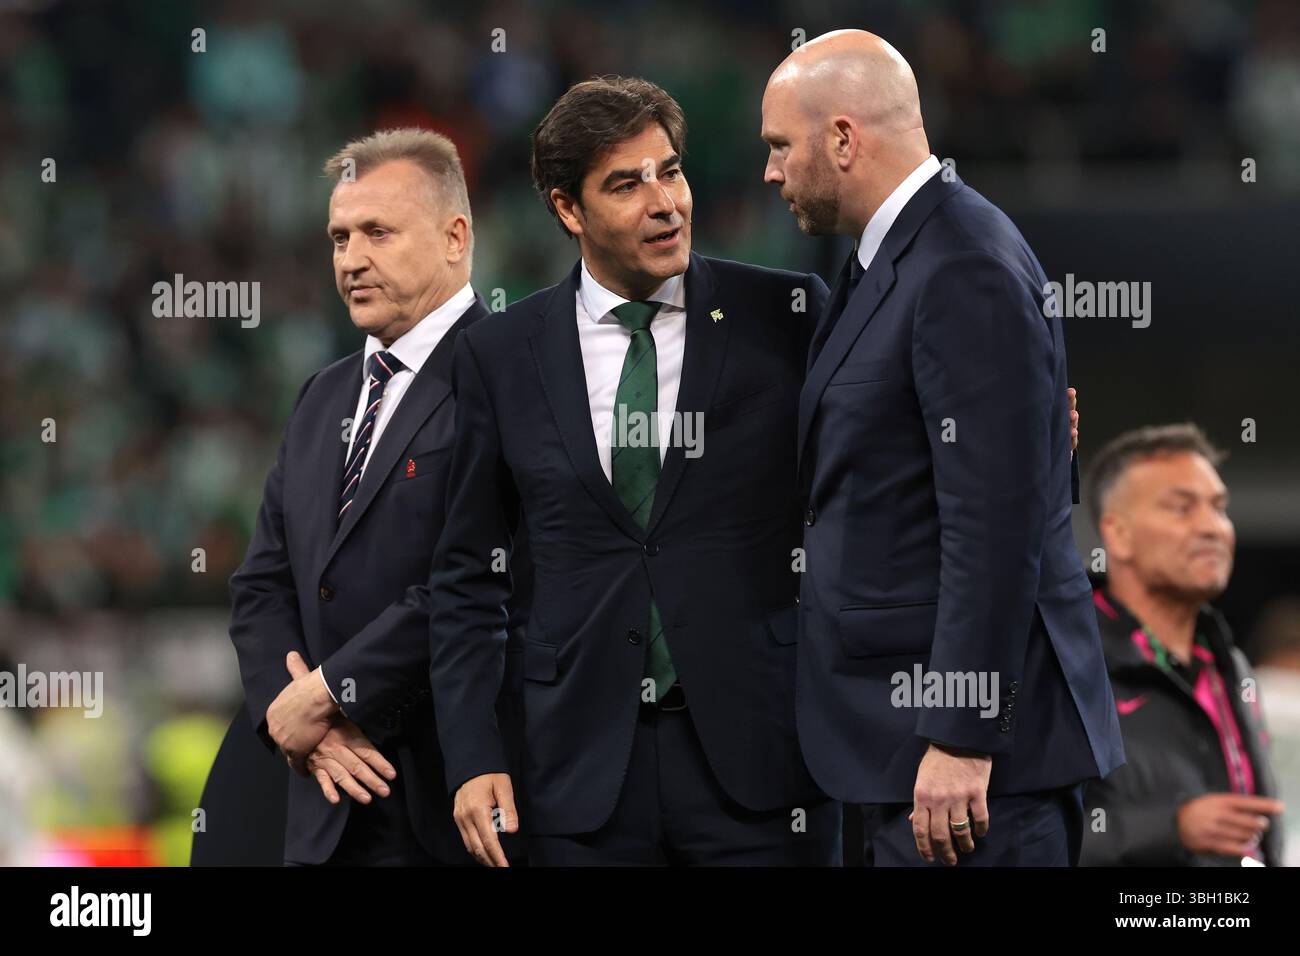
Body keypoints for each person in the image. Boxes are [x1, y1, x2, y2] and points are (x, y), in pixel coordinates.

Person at [427, 76, 841, 866]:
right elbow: (467, 574)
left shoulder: (787, 316)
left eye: (671, 171)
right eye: (626, 183)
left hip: (762, 768)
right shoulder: (500, 355)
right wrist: (475, 754)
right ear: (566, 209)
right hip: (578, 776)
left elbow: (875, 467)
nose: (665, 203)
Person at [761, 29, 1124, 866]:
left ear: (844, 138)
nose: (771, 172)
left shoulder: (960, 263)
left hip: (965, 768)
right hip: (899, 754)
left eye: (781, 146)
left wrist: (963, 735)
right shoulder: (895, 256)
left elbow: (993, 528)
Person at [227, 128, 526, 865]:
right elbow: (261, 584)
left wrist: (328, 692)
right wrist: (296, 719)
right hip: (325, 810)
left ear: (455, 237)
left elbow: (482, 579)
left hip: (448, 806)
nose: (351, 259)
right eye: (338, 237)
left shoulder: (513, 375)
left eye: (377, 233)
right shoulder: (321, 395)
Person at [1080, 424, 1285, 866]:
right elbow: (1017, 836)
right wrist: (1170, 829)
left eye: (1219, 507)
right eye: (1182, 508)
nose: (1212, 527)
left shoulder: (1230, 664)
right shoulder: (1065, 658)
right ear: (1117, 535)